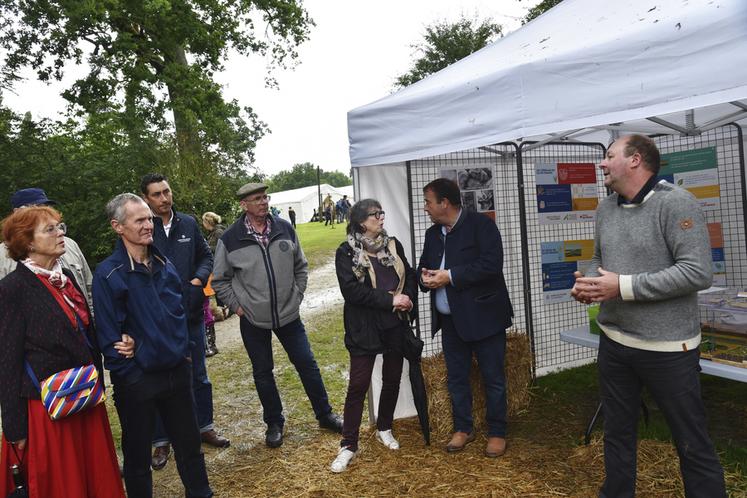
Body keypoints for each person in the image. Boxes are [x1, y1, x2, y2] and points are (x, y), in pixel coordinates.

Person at [571, 134, 726, 498]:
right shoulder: (606, 208)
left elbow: (697, 272)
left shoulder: (677, 204)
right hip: (615, 342)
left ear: (636, 160)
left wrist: (622, 287)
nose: (602, 163)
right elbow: (599, 259)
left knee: (691, 440)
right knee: (618, 433)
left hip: (670, 348)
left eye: (609, 156)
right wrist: (591, 283)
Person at [0, 206, 126, 498]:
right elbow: (8, 361)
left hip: (83, 395)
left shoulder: (66, 275)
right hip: (47, 408)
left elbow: (85, 334)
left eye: (60, 226)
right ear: (28, 242)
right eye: (51, 229)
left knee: (95, 477)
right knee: (65, 484)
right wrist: (16, 427)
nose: (61, 234)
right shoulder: (12, 288)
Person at [93, 193, 213, 498]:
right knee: (137, 459)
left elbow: (179, 314)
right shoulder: (108, 275)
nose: (149, 225)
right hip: (137, 382)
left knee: (190, 449)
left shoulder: (164, 263)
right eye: (140, 220)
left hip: (176, 374)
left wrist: (183, 354)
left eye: (149, 218)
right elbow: (109, 339)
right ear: (117, 226)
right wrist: (132, 375)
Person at [212, 182, 343, 448]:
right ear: (244, 205)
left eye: (265, 197)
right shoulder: (230, 238)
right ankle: (274, 423)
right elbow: (220, 280)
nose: (263, 202)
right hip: (253, 319)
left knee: (307, 364)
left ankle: (325, 414)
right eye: (257, 199)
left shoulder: (284, 228)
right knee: (263, 372)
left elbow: (301, 266)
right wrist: (239, 308)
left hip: (289, 315)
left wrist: (297, 296)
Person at [417, 178, 513, 457]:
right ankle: (463, 428)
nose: (426, 208)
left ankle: (497, 432)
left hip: (485, 317)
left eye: (428, 202)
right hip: (451, 322)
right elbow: (425, 266)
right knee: (457, 377)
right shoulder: (433, 234)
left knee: (493, 377)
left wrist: (450, 276)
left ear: (444, 203)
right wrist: (425, 279)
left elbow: (491, 265)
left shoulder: (481, 226)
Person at [140, 174, 229, 470]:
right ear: (147, 199)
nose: (164, 198)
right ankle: (161, 441)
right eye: (157, 194)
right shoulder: (141, 227)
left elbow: (206, 257)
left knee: (198, 375)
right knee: (159, 381)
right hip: (156, 322)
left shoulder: (188, 223)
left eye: (167, 191)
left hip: (189, 314)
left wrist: (195, 282)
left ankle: (205, 426)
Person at [330, 199, 418, 473]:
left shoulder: (392, 244)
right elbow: (352, 292)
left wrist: (409, 300)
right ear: (360, 222)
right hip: (364, 326)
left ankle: (385, 427)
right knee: (358, 385)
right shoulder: (346, 252)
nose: (381, 218)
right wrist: (391, 300)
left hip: (394, 324)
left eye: (382, 213)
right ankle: (348, 444)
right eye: (375, 215)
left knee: (392, 379)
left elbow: (409, 276)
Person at [0, 188, 93, 307]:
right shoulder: (2, 255)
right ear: (17, 212)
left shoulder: (69, 245)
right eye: (36, 207)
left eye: (46, 207)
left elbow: (90, 289)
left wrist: (91, 322)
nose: (42, 212)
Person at [202, 212, 227, 356]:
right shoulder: (214, 232)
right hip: (215, 265)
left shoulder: (218, 232)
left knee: (218, 290)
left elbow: (218, 249)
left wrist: (206, 248)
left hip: (219, 265)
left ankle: (223, 309)